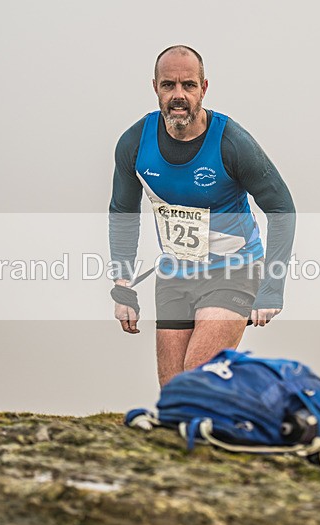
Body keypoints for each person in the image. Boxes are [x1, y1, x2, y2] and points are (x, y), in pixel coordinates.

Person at [109, 45, 295, 387]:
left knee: (198, 373)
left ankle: (261, 406)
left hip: (234, 271)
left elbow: (282, 209)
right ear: (155, 88)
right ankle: (231, 410)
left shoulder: (232, 143)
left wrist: (272, 288)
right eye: (169, 85)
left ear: (203, 88)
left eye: (189, 85)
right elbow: (123, 212)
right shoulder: (134, 144)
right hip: (175, 273)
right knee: (174, 390)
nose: (178, 95)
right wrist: (122, 286)